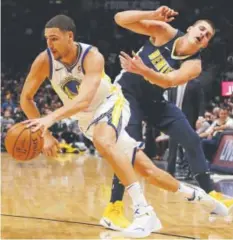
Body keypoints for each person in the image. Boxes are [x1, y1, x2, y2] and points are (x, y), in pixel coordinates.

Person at [21, 14, 220, 238]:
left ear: (70, 37)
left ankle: (144, 212)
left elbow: (85, 100)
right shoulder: (44, 60)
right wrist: (45, 134)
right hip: (87, 119)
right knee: (148, 171)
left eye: (54, 38)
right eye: (47, 39)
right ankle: (198, 196)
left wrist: (49, 119)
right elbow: (25, 98)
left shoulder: (91, 56)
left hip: (112, 103)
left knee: (104, 141)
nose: (49, 44)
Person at [99, 6, 232, 230]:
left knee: (191, 138)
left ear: (205, 44)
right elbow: (119, 18)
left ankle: (211, 194)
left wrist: (143, 70)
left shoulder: (194, 64)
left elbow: (168, 81)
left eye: (207, 35)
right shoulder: (164, 32)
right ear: (190, 29)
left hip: (154, 100)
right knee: (128, 149)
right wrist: (150, 14)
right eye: (201, 29)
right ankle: (114, 206)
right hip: (127, 94)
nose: (203, 34)